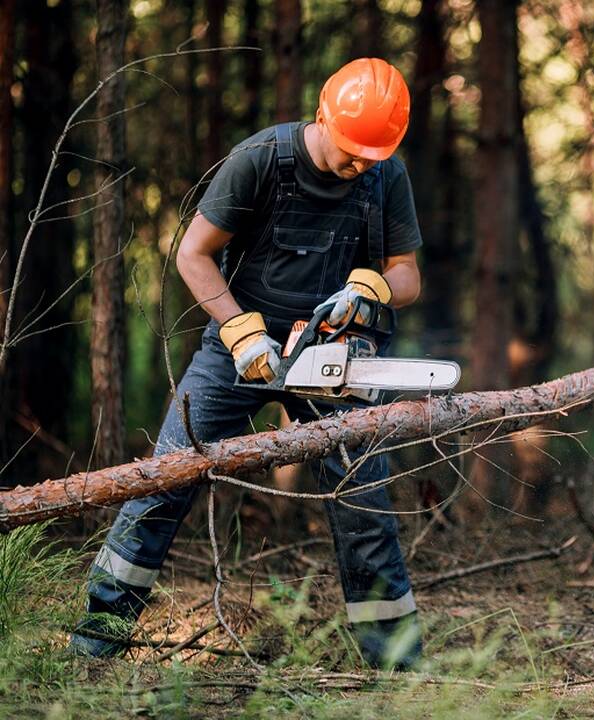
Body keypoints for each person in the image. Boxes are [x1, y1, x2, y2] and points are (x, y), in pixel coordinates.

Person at [69, 58, 424, 669]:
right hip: (241, 347)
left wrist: (374, 287)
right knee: (163, 482)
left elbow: (408, 274)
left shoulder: (385, 174)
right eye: (351, 151)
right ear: (322, 116)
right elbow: (194, 255)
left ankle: (396, 664)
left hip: (335, 357)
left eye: (372, 154)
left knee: (364, 501)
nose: (360, 163)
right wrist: (239, 332)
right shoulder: (260, 159)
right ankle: (95, 638)